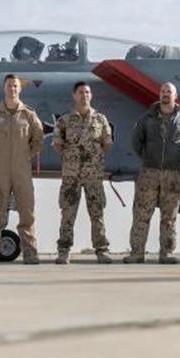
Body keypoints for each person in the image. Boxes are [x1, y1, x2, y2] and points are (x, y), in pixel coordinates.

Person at [125, 82, 180, 264]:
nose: (165, 94)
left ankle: (166, 253)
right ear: (159, 95)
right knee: (141, 213)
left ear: (176, 96)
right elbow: (137, 142)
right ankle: (137, 253)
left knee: (169, 215)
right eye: (163, 91)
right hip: (149, 172)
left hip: (174, 174)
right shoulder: (146, 119)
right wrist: (148, 159)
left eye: (169, 91)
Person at [0, 74, 45, 264]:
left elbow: (38, 140)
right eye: (9, 86)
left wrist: (24, 156)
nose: (12, 89)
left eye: (15, 86)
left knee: (27, 213)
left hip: (22, 171)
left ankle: (31, 254)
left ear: (20, 89)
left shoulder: (29, 115)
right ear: (4, 88)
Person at [53, 81, 113, 264]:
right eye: (80, 92)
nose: (84, 95)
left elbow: (107, 144)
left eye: (87, 92)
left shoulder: (101, 120)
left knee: (97, 214)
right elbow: (57, 145)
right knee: (68, 214)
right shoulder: (64, 121)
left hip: (93, 176)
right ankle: (63, 251)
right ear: (74, 96)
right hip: (71, 175)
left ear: (91, 95)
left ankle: (102, 250)